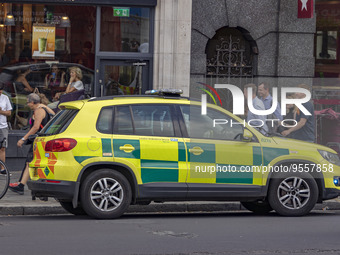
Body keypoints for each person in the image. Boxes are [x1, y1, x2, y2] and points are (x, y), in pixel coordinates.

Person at [9, 93, 55, 195]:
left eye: (28, 102)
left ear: (33, 102)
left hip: (39, 141)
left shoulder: (39, 111)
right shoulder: (44, 108)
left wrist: (23, 138)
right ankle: (23, 184)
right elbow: (54, 116)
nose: (27, 104)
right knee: (30, 162)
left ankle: (23, 185)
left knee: (31, 162)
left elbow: (35, 127)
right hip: (43, 140)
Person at [0, 83, 12, 174]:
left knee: (3, 147)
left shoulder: (5, 98)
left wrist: (1, 111)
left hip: (2, 126)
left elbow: (9, 113)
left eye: (1, 90)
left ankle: (2, 168)